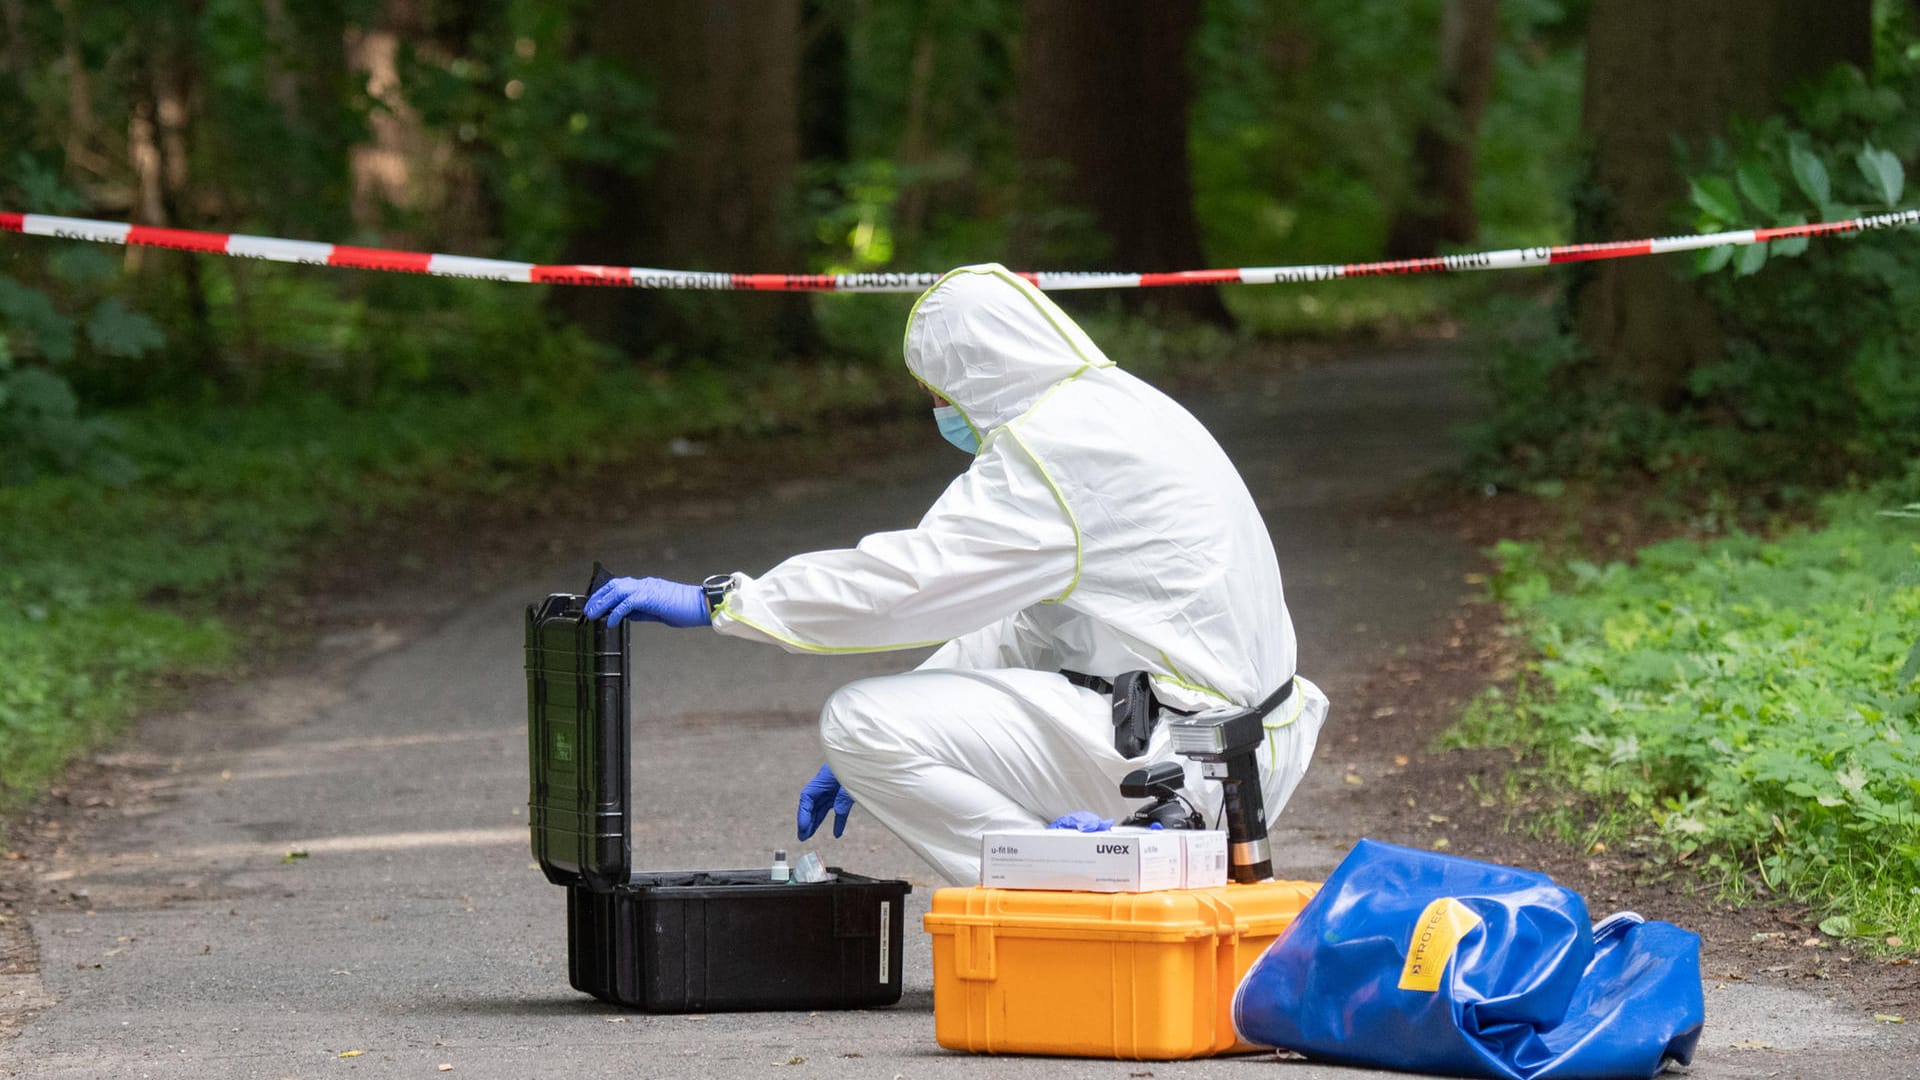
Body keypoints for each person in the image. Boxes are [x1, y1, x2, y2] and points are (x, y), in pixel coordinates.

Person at [585, 264, 1328, 885]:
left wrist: (726, 602)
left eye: (937, 392)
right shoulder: (1120, 410)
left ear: (970, 376)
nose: (939, 410)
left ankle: (1082, 888)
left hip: (1185, 755)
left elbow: (907, 583)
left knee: (857, 717)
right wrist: (913, 725)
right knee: (883, 723)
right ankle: (1119, 853)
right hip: (1240, 747)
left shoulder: (1049, 453)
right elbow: (1024, 626)